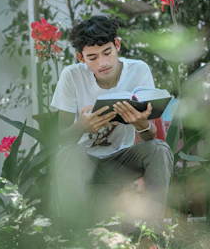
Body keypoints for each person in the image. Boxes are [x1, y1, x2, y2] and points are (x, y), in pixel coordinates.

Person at [51, 16, 173, 230]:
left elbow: (150, 135)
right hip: (84, 160)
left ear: (117, 45)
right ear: (81, 58)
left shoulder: (139, 70)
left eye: (107, 52)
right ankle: (76, 235)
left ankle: (154, 232)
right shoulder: (71, 76)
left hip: (121, 160)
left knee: (159, 149)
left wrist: (141, 124)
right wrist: (82, 127)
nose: (102, 63)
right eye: (92, 57)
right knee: (68, 154)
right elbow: (61, 140)